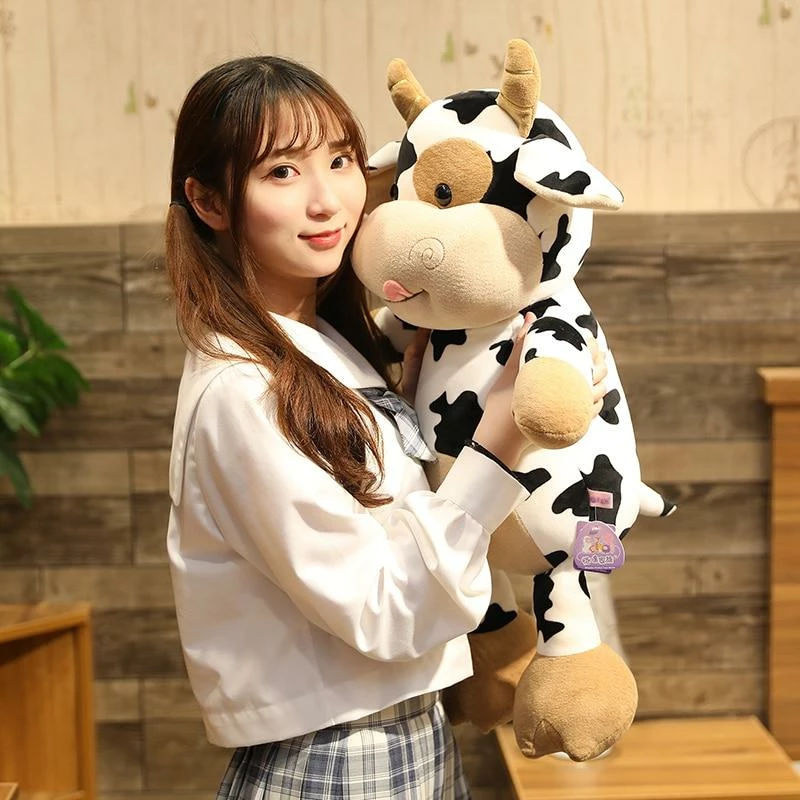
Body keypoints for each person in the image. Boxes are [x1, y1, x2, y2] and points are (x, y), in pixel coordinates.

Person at [164, 55, 606, 800]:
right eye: (281, 172)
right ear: (209, 200)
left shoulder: (326, 344)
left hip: (404, 737)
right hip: (333, 761)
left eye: (339, 160)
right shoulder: (241, 389)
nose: (327, 200)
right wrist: (500, 443)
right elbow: (382, 609)